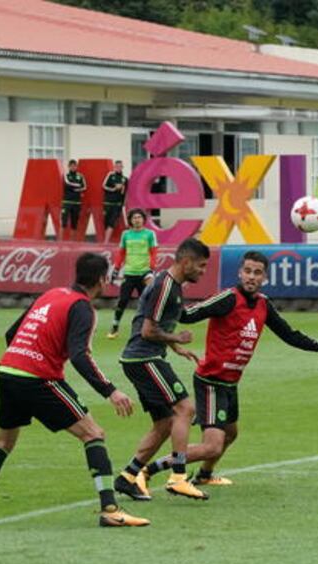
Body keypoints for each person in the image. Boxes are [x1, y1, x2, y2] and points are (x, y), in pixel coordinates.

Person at [0, 252, 148, 528]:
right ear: (103, 279)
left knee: (3, 442)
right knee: (94, 434)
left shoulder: (51, 294)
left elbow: (12, 334)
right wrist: (111, 391)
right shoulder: (82, 307)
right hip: (38, 378)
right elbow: (80, 356)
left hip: (8, 371)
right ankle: (110, 509)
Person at [127, 251, 318, 490]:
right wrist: (165, 293)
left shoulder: (263, 304)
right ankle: (148, 470)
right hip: (211, 381)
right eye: (247, 271)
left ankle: (204, 475)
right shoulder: (227, 298)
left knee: (230, 434)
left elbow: (289, 335)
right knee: (212, 445)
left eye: (257, 273)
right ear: (239, 273)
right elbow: (188, 315)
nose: (251, 277)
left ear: (265, 277)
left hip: (230, 383)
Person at [113, 238, 211, 502]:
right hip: (143, 358)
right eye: (201, 266)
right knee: (185, 409)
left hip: (143, 358)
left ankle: (127, 477)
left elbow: (154, 326)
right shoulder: (165, 286)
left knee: (166, 422)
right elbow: (147, 330)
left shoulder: (173, 286)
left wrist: (176, 348)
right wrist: (177, 339)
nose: (203, 271)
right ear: (186, 261)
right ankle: (178, 476)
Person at [107, 209, 156, 339]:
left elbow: (153, 252)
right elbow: (121, 253)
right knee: (122, 301)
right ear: (130, 220)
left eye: (139, 217)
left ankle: (144, 328)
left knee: (145, 302)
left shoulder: (150, 234)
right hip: (129, 273)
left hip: (144, 273)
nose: (137, 220)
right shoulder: (126, 234)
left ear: (143, 219)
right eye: (134, 218)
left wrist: (151, 269)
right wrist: (116, 269)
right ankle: (115, 326)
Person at [102, 160, 128, 243]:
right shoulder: (110, 175)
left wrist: (124, 202)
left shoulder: (125, 179)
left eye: (120, 166)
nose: (119, 168)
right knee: (106, 222)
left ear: (122, 167)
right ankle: (106, 240)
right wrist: (114, 188)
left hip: (117, 204)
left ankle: (106, 242)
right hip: (108, 203)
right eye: (117, 166)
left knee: (112, 222)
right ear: (114, 167)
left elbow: (125, 192)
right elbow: (103, 186)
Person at [61, 159, 86, 240]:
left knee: (74, 223)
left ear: (76, 166)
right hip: (67, 202)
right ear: (68, 167)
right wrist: (78, 185)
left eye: (74, 166)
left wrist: (77, 189)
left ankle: (72, 242)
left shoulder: (80, 176)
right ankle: (59, 241)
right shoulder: (66, 175)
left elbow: (84, 187)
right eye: (71, 166)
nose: (73, 167)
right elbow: (67, 184)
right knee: (63, 222)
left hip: (77, 202)